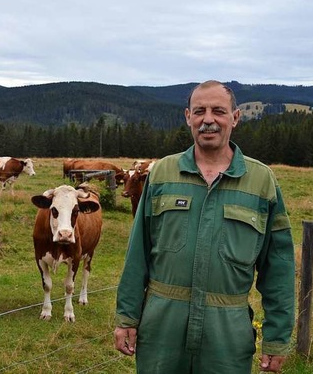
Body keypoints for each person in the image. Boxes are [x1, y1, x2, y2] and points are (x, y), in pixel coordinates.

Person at [113, 80, 295, 373]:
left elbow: (279, 269)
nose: (208, 119)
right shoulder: (162, 174)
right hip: (162, 330)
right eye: (200, 111)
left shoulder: (262, 182)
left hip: (226, 336)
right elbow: (138, 253)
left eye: (218, 111)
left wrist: (276, 337)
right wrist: (126, 317)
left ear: (235, 118)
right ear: (188, 117)